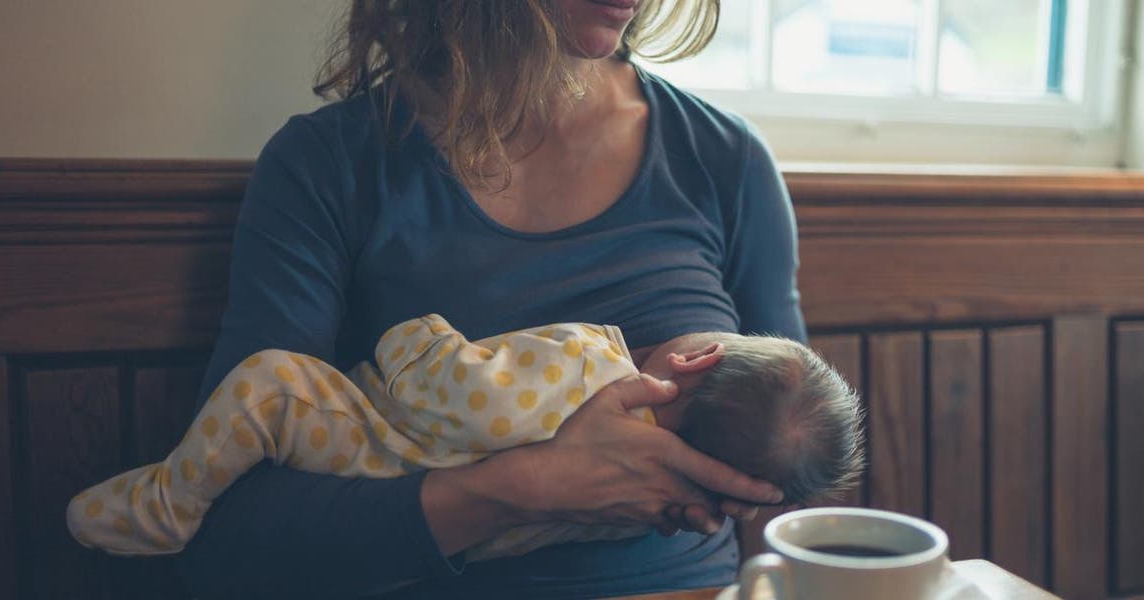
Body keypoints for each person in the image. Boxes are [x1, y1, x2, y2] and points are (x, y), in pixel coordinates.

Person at [176, 1, 809, 598]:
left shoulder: (726, 159)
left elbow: (796, 470)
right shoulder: (327, 165)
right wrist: (528, 488)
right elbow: (233, 530)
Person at [69, 315, 862, 562]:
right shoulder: (648, 505)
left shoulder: (591, 361)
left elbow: (448, 391)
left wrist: (416, 336)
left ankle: (168, 501)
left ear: (694, 357)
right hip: (437, 544)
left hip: (364, 442)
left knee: (269, 383)